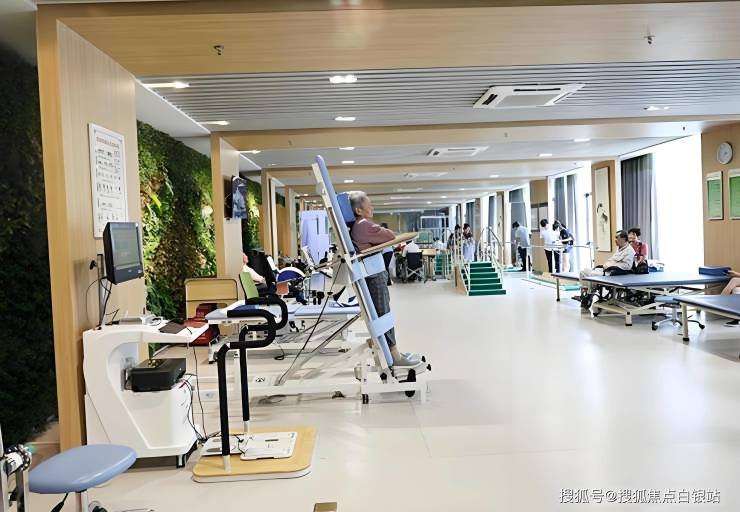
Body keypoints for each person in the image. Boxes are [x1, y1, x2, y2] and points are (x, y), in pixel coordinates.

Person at [347, 190, 417, 367]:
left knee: (383, 313)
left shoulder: (358, 226)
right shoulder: (363, 225)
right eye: (369, 205)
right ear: (358, 210)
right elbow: (389, 235)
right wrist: (380, 230)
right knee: (383, 315)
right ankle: (394, 356)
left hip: (373, 273)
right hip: (374, 275)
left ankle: (391, 351)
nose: (372, 208)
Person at [579, 230, 635, 305]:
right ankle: (585, 291)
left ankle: (590, 293)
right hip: (606, 270)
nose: (615, 240)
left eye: (617, 237)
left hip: (612, 273)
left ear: (624, 239)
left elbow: (627, 266)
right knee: (583, 272)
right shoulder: (620, 249)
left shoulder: (629, 250)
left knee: (591, 275)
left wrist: (612, 267)